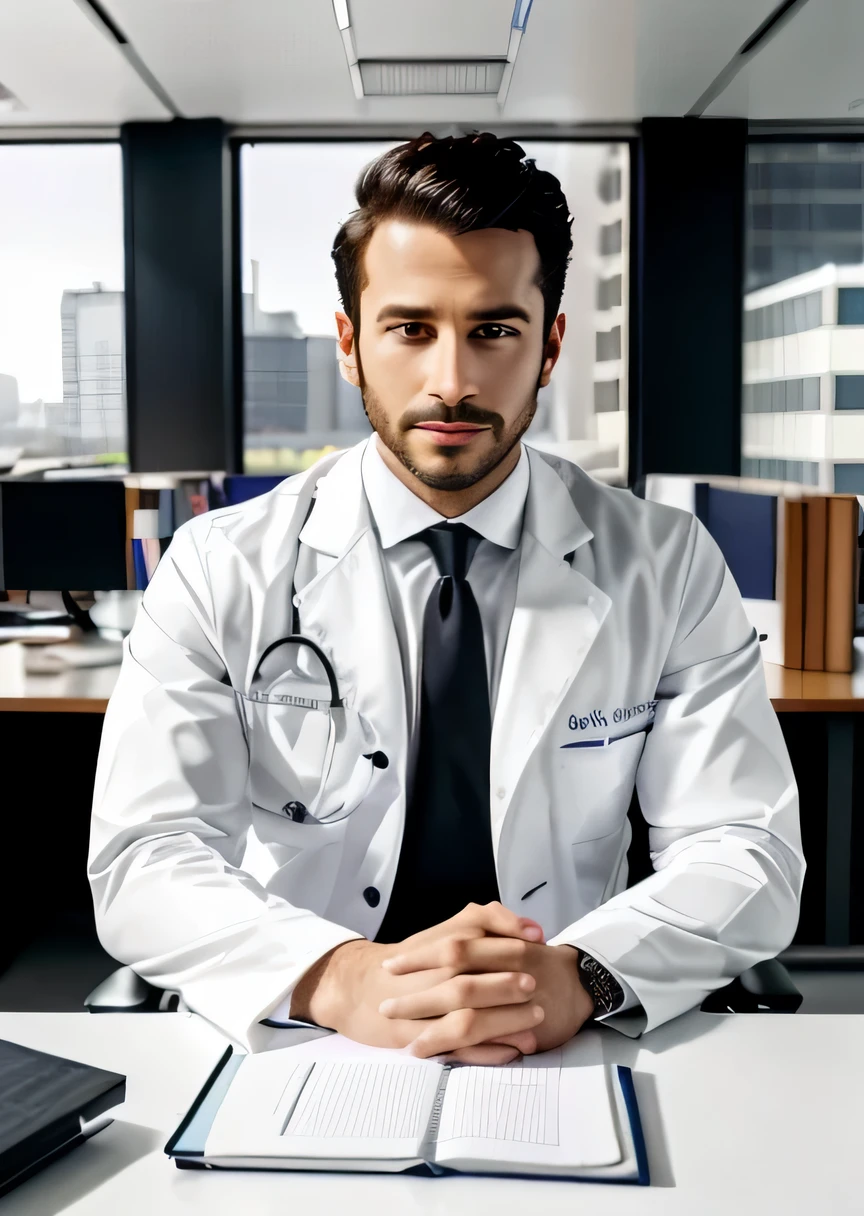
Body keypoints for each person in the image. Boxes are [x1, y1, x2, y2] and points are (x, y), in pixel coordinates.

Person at [89, 131, 804, 1064]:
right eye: (411, 328)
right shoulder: (219, 565)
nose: (453, 383)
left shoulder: (664, 561)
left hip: (562, 1027)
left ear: (549, 346)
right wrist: (339, 976)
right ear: (351, 344)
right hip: (304, 1022)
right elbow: (147, 856)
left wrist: (585, 973)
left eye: (494, 330)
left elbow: (743, 846)